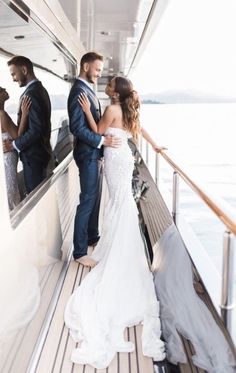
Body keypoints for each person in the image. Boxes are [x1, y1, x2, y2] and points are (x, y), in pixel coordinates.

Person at [64, 76, 166, 369]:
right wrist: (156, 147)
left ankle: (113, 248)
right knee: (124, 203)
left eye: (110, 85)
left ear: (115, 92)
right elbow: (136, 132)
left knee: (117, 202)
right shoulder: (130, 110)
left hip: (113, 158)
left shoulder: (111, 108)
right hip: (124, 157)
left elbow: (96, 130)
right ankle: (126, 248)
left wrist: (86, 111)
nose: (106, 86)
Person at [68, 52, 121, 267]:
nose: (99, 74)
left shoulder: (87, 89)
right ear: (86, 66)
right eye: (97, 69)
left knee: (95, 198)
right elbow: (77, 128)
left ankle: (92, 236)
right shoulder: (78, 91)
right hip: (88, 154)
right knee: (87, 200)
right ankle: (80, 252)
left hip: (94, 154)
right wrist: (102, 142)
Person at [3, 55, 52, 194]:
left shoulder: (31, 94)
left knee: (35, 198)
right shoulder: (40, 90)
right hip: (40, 156)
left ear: (24, 70)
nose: (13, 78)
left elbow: (35, 130)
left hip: (34, 158)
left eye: (14, 74)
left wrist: (13, 145)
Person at [0, 86, 30, 209]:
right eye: (1, 89)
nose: (5, 90)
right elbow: (18, 136)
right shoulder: (2, 115)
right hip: (7, 162)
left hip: (7, 160)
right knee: (11, 195)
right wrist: (25, 115)